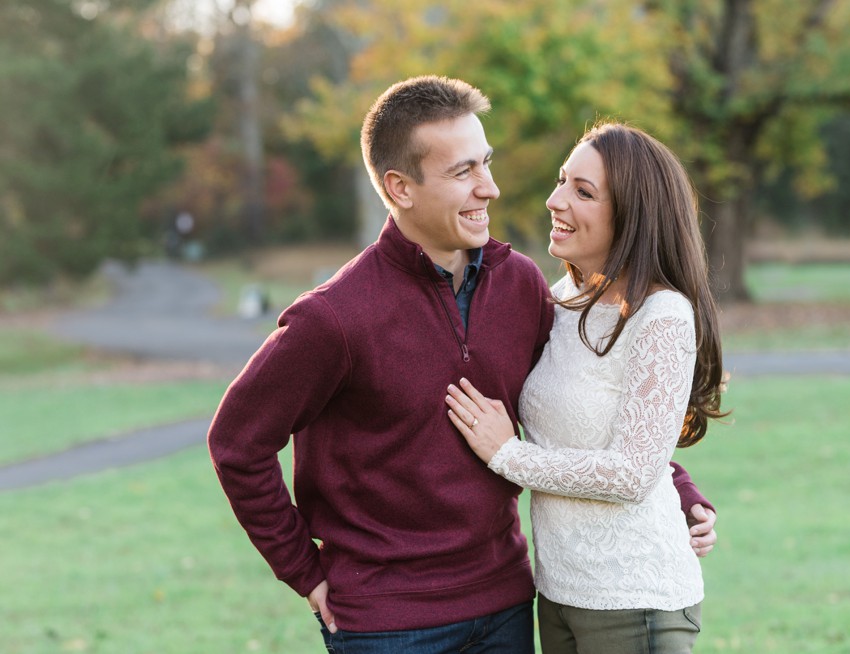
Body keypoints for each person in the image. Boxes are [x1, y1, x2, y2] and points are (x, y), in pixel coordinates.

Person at [208, 77, 716, 654]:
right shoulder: (335, 318)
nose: (490, 189)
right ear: (400, 187)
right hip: (388, 624)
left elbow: (581, 398)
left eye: (487, 164)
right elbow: (236, 443)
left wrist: (677, 485)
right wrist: (303, 570)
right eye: (463, 173)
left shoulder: (523, 286)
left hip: (508, 604)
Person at [446, 122, 727, 654]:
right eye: (561, 181)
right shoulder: (560, 300)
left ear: (632, 215)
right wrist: (684, 489)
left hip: (634, 599)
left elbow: (633, 472)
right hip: (559, 594)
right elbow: (602, 433)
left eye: (583, 191)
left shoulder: (661, 314)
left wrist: (507, 454)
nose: (555, 201)